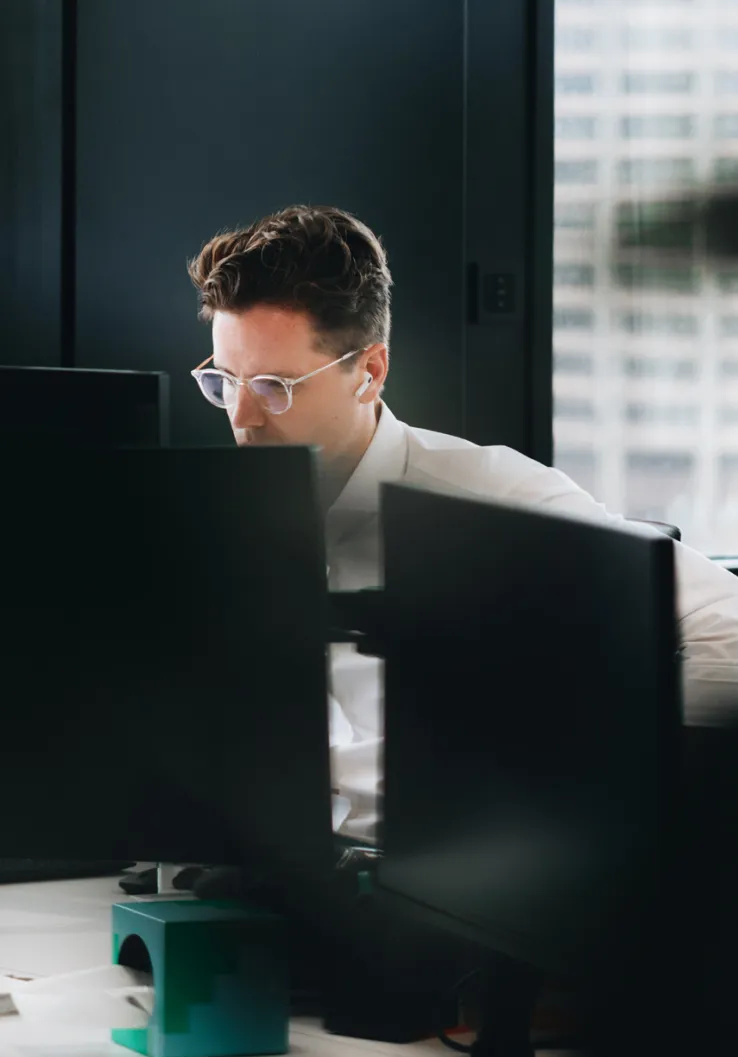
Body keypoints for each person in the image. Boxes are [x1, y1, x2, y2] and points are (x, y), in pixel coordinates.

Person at [188, 204, 738, 845]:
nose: (244, 416)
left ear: (369, 372)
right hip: (267, 871)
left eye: (275, 385)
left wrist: (611, 777)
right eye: (225, 381)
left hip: (450, 889)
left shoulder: (490, 495)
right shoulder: (212, 523)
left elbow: (725, 633)